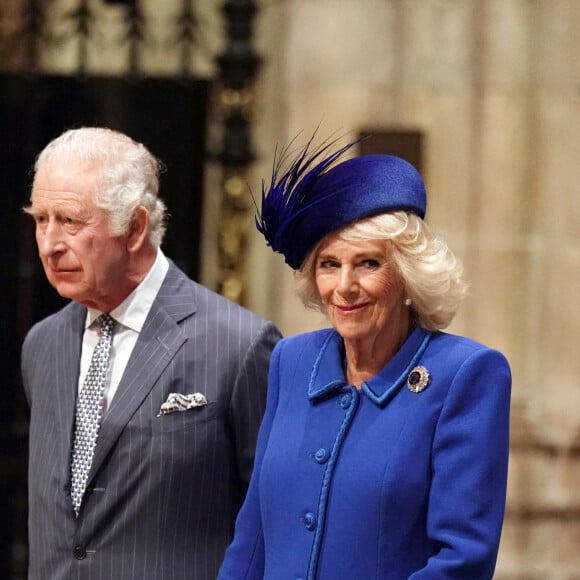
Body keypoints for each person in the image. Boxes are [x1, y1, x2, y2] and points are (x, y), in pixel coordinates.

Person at [218, 134, 512, 579]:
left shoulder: (466, 375)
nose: (345, 287)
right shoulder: (291, 361)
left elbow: (462, 560)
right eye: (329, 264)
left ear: (409, 274)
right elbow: (253, 535)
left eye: (369, 264)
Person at [20, 126, 281, 580]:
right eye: (42, 219)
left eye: (71, 221)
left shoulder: (240, 345)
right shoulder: (41, 344)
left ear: (135, 227)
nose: (49, 244)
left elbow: (275, 523)